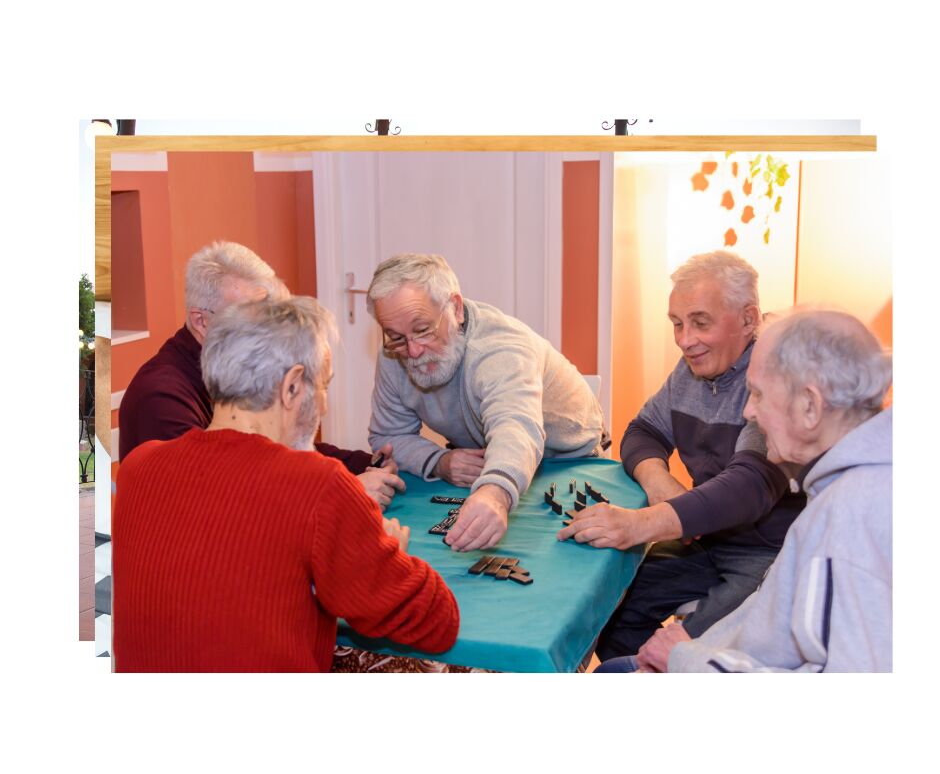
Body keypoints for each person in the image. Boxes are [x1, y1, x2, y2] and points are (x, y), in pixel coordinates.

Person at [112, 296, 459, 672]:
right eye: (323, 386)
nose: (323, 406)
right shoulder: (318, 485)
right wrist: (393, 555)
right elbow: (436, 622)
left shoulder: (138, 467)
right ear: (292, 386)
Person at [612, 309, 892, 672]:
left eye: (758, 394)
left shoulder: (852, 519)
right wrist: (691, 653)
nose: (748, 411)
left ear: (810, 406)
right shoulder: (842, 486)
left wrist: (683, 658)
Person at [559, 250, 805, 661]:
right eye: (677, 323)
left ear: (748, 319)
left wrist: (642, 524)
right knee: (610, 611)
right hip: (705, 538)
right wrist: (661, 484)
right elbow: (642, 431)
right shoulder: (690, 368)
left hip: (769, 553)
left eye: (700, 322)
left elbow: (749, 486)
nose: (685, 340)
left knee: (686, 654)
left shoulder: (775, 375)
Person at [118, 240, 403, 508]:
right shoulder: (161, 396)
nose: (268, 329)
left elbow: (280, 451)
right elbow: (225, 496)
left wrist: (361, 464)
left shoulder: (238, 367)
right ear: (201, 321)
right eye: (248, 317)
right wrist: (348, 491)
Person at [367, 253, 608, 552]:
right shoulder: (393, 353)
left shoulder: (500, 348)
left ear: (455, 308)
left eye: (423, 330)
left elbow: (516, 428)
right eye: (396, 337)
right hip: (489, 461)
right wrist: (440, 462)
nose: (413, 351)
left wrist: (494, 493)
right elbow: (389, 435)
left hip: (569, 462)